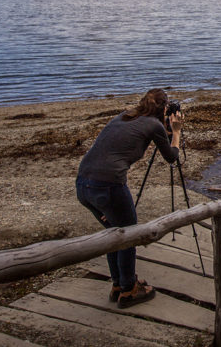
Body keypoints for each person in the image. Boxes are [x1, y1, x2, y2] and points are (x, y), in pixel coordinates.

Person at [76, 88, 184, 308]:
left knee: (114, 233)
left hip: (83, 187)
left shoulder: (125, 116)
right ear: (164, 108)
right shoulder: (154, 125)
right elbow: (172, 157)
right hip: (108, 187)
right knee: (128, 235)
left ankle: (119, 284)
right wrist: (176, 132)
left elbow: (139, 133)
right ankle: (128, 290)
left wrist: (164, 127)